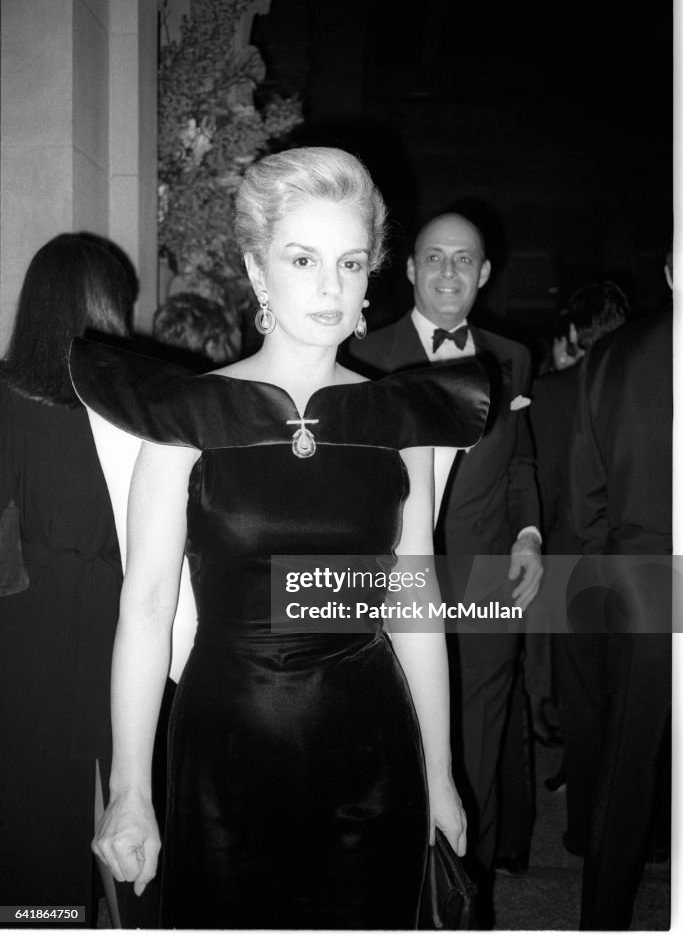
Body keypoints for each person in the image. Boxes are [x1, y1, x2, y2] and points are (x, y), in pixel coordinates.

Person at [72, 148, 490, 929]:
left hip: (371, 748)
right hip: (223, 747)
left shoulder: (406, 419)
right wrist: (130, 787)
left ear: (372, 278)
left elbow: (415, 605)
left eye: (351, 262)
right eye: (303, 259)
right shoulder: (186, 417)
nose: (330, 286)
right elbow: (148, 603)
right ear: (259, 272)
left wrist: (439, 771)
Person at [347, 210, 542, 916]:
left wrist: (527, 534)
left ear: (484, 273)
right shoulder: (364, 354)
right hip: (394, 585)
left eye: (464, 260)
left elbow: (519, 461)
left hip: (486, 580)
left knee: (481, 743)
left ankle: (468, 899)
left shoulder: (512, 356)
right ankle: (399, 896)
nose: (449, 272)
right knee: (396, 739)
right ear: (408, 268)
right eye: (434, 258)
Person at [0, 232, 137, 926]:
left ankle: (41, 916)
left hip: (30, 620)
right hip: (122, 607)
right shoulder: (136, 400)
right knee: (124, 780)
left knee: (38, 793)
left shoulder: (8, 397)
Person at [567, 254, 672, 929]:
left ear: (666, 270)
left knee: (624, 769)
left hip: (641, 584)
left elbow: (585, 506)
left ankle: (602, 918)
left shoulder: (608, 358)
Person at [527, 280, 630, 784]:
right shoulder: (650, 385)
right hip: (640, 554)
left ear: (572, 332)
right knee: (632, 691)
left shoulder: (552, 391)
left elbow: (544, 485)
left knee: (583, 693)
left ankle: (588, 819)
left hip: (570, 554)